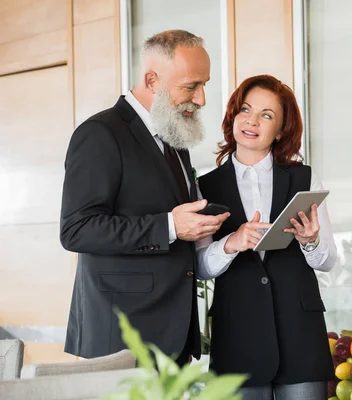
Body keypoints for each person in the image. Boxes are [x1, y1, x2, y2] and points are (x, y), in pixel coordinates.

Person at [59, 30, 229, 367]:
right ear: (152, 80)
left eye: (204, 85)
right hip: (121, 335)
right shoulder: (99, 134)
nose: (202, 99)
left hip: (173, 331)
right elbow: (76, 229)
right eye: (191, 86)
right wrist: (170, 226)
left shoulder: (175, 139)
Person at [196, 74, 337, 399]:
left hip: (300, 337)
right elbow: (200, 267)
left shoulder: (304, 177)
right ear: (233, 115)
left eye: (267, 115)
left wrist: (310, 241)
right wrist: (231, 244)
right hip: (238, 340)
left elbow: (328, 261)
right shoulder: (206, 186)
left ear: (281, 129)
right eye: (246, 110)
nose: (252, 121)